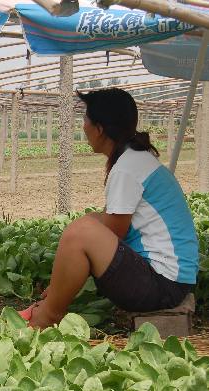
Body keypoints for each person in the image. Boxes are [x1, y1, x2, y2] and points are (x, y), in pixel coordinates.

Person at [19, 88, 199, 329]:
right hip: (172, 282)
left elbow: (112, 236)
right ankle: (50, 306)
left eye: (85, 119)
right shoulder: (135, 158)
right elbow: (106, 225)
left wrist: (65, 280)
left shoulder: (126, 168)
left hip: (163, 286)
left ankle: (47, 316)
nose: (83, 126)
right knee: (89, 222)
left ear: (100, 128)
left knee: (80, 233)